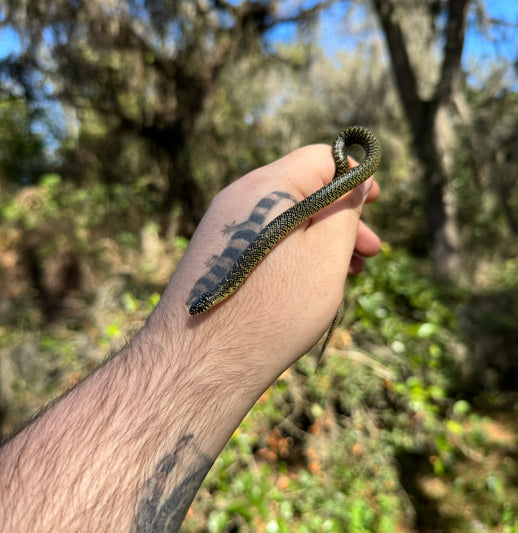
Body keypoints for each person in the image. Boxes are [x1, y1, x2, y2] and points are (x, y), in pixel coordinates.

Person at [0, 142, 381, 532]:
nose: (196, 309)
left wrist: (348, 179)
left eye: (200, 306)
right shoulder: (223, 285)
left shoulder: (227, 284)